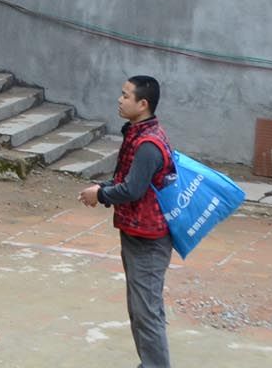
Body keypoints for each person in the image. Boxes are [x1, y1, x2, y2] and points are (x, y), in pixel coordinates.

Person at [81, 75, 176, 368]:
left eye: (125, 96)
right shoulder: (136, 133)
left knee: (146, 312)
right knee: (141, 309)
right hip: (137, 232)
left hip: (149, 240)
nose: (119, 100)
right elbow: (126, 178)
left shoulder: (148, 143)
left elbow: (132, 189)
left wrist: (101, 194)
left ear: (142, 104)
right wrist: (104, 187)